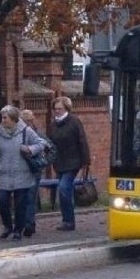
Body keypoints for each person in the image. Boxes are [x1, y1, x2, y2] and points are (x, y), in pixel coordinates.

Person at [0, 105, 45, 241]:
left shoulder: (26, 131)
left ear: (13, 119)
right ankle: (7, 226)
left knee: (20, 204)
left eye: (5, 118)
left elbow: (41, 144)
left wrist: (30, 149)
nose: (3, 120)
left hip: (22, 174)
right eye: (2, 117)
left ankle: (18, 229)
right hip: (4, 174)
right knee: (2, 201)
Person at [48, 96, 91, 231]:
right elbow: (49, 143)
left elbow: (82, 141)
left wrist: (86, 162)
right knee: (66, 191)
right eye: (55, 109)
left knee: (63, 188)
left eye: (60, 109)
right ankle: (67, 219)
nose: (57, 111)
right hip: (59, 162)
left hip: (73, 162)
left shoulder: (74, 122)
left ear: (66, 108)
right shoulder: (53, 125)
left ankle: (68, 221)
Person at [19, 109, 55, 237]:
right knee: (24, 198)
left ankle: (28, 224)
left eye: (28, 121)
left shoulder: (38, 135)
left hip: (34, 170)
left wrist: (43, 162)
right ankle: (26, 223)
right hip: (20, 171)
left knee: (30, 197)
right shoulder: (17, 136)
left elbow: (51, 150)